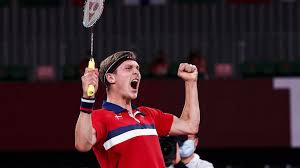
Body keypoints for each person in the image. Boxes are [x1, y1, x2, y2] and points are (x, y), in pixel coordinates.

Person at [75, 51, 200, 168]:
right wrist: (87, 98)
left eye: (137, 68)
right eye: (128, 68)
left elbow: (190, 126)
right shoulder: (100, 116)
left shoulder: (148, 114)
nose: (136, 72)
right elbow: (82, 144)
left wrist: (191, 82)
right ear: (110, 78)